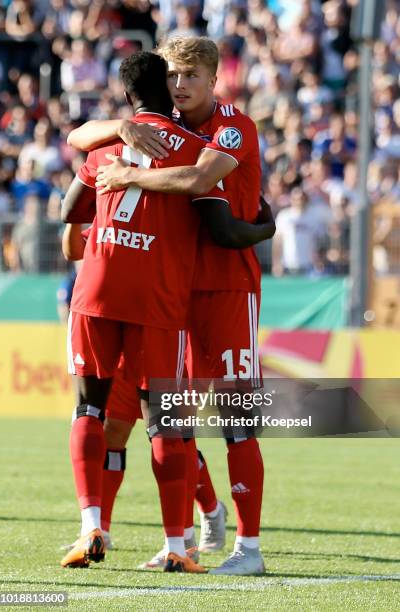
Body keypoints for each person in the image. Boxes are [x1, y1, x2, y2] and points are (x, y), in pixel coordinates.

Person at [60, 50, 274, 574]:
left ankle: (248, 548)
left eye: (191, 76)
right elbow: (79, 134)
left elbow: (199, 184)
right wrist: (126, 128)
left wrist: (125, 177)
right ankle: (167, 532)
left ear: (213, 78)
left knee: (234, 419)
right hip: (167, 294)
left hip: (224, 289)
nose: (180, 85)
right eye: (173, 75)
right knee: (144, 419)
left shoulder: (230, 128)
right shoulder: (159, 128)